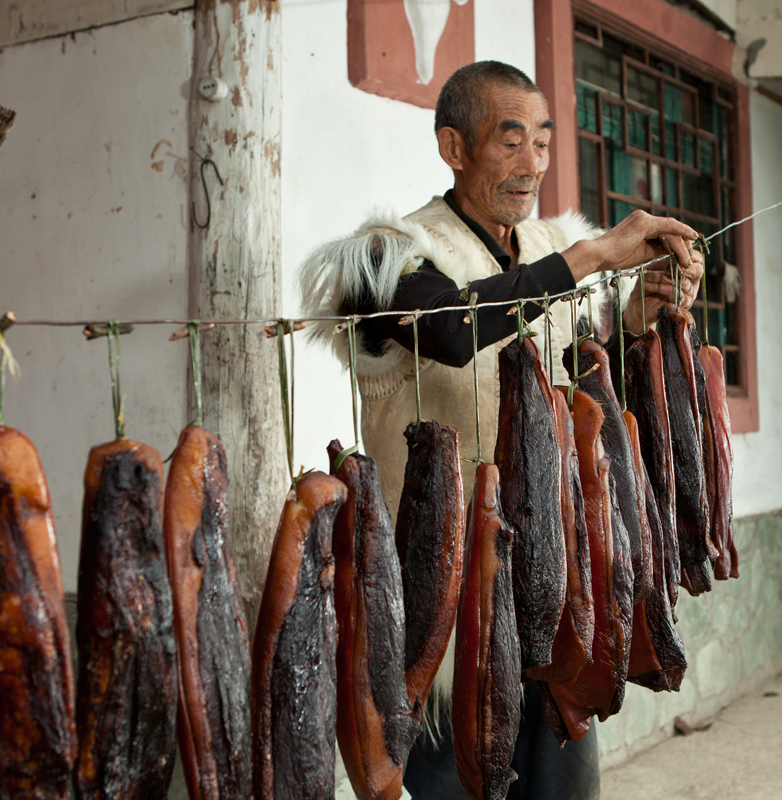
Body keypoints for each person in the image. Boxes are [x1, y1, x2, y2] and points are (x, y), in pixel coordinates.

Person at [300, 61, 703, 800]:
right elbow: (453, 330)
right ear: (453, 147)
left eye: (542, 144)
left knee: (564, 791)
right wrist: (589, 259)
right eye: (509, 141)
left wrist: (650, 309)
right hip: (440, 613)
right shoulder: (385, 257)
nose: (532, 166)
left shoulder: (553, 246)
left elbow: (587, 381)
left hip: (551, 587)